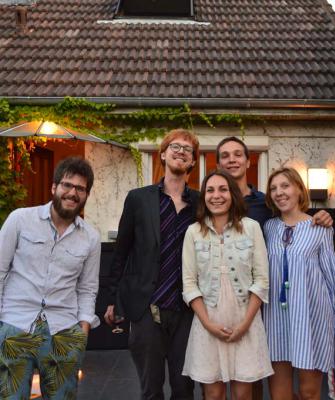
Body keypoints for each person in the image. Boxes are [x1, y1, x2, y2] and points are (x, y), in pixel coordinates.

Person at [215, 136, 332, 400]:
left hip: (261, 304)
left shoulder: (265, 206)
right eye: (225, 155)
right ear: (218, 163)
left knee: (254, 379)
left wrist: (321, 215)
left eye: (237, 154)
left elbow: (293, 220)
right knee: (217, 382)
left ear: (248, 161)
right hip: (219, 301)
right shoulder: (212, 200)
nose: (232, 160)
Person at [104, 129, 200, 400]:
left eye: (187, 149)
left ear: (193, 161)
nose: (181, 152)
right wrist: (112, 299)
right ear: (163, 154)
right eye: (175, 147)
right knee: (150, 389)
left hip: (187, 309)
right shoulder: (138, 199)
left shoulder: (201, 203)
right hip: (147, 308)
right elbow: (121, 252)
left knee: (184, 389)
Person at [0, 156, 101, 399]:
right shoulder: (20, 219)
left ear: (86, 195)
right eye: (67, 185)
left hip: (64, 331)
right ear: (54, 187)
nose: (72, 193)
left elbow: (87, 289)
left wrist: (82, 332)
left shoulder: (91, 237)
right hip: (15, 325)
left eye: (80, 189)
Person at [263, 167, 335, 400]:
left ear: (299, 189)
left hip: (311, 317)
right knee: (279, 395)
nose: (279, 192)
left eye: (285, 186)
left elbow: (333, 275)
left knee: (309, 392)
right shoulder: (268, 228)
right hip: (276, 319)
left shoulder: (320, 228)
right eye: (273, 188)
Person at [182, 170, 274, 400]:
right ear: (204, 196)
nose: (216, 196)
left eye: (223, 189)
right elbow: (189, 284)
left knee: (243, 393)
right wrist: (208, 324)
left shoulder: (252, 227)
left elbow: (262, 280)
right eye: (210, 190)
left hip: (245, 320)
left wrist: (244, 324)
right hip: (208, 322)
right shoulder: (193, 232)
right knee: (213, 394)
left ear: (233, 194)